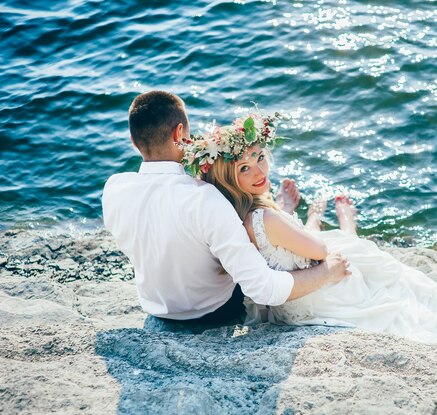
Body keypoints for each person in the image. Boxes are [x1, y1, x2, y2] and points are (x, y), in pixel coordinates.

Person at [183, 112, 437, 344]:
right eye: (244, 168)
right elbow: (319, 252)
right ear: (229, 179)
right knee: (359, 258)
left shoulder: (235, 216)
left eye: (260, 157)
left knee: (325, 243)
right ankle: (340, 223)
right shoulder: (263, 219)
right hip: (312, 298)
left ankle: (307, 219)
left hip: (285, 297)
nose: (259, 170)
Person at [102, 91, 351, 329]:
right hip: (215, 313)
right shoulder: (204, 198)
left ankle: (279, 213)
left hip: (156, 310)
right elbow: (263, 289)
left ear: (134, 142)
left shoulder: (114, 189)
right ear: (180, 132)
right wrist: (327, 273)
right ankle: (282, 216)